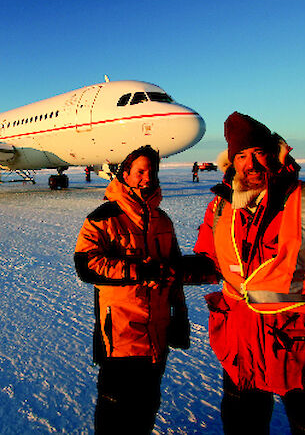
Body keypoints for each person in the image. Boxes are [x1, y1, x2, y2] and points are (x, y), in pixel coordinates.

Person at [190, 112, 305, 435]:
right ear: (232, 163)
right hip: (241, 348)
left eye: (258, 153)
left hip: (303, 352)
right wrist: (178, 269)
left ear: (275, 154)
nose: (251, 164)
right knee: (241, 427)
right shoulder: (221, 207)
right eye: (241, 156)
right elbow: (211, 259)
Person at [74, 145, 189, 435]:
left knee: (146, 407)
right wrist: (138, 271)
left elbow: (173, 271)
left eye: (151, 171)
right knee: (115, 410)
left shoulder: (163, 220)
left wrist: (180, 316)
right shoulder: (103, 217)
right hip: (121, 333)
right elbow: (86, 264)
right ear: (125, 174)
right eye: (140, 171)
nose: (146, 177)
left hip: (157, 332)